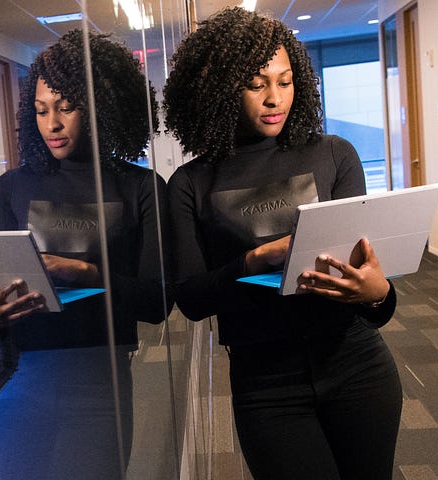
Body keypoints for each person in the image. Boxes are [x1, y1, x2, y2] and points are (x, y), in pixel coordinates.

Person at [161, 7, 402, 480]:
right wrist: (254, 260)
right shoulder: (191, 182)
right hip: (266, 384)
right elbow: (190, 297)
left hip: (357, 365)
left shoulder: (334, 154)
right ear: (221, 88)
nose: (276, 98)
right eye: (257, 84)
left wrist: (379, 294)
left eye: (286, 80)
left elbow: (373, 290)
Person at [0, 29, 165, 479]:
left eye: (65, 108)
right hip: (17, 384)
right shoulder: (12, 188)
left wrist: (85, 272)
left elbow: (157, 303)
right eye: (40, 110)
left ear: (98, 108)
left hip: (100, 386)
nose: (51, 124)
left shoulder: (139, 188)